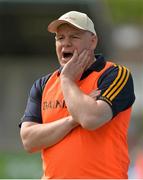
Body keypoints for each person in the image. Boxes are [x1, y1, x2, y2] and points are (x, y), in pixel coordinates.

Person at [19, 11, 135, 179]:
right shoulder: (43, 85)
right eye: (60, 38)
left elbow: (90, 119)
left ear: (93, 41)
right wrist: (73, 120)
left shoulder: (115, 74)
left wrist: (66, 80)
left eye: (74, 37)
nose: (66, 44)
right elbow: (29, 141)